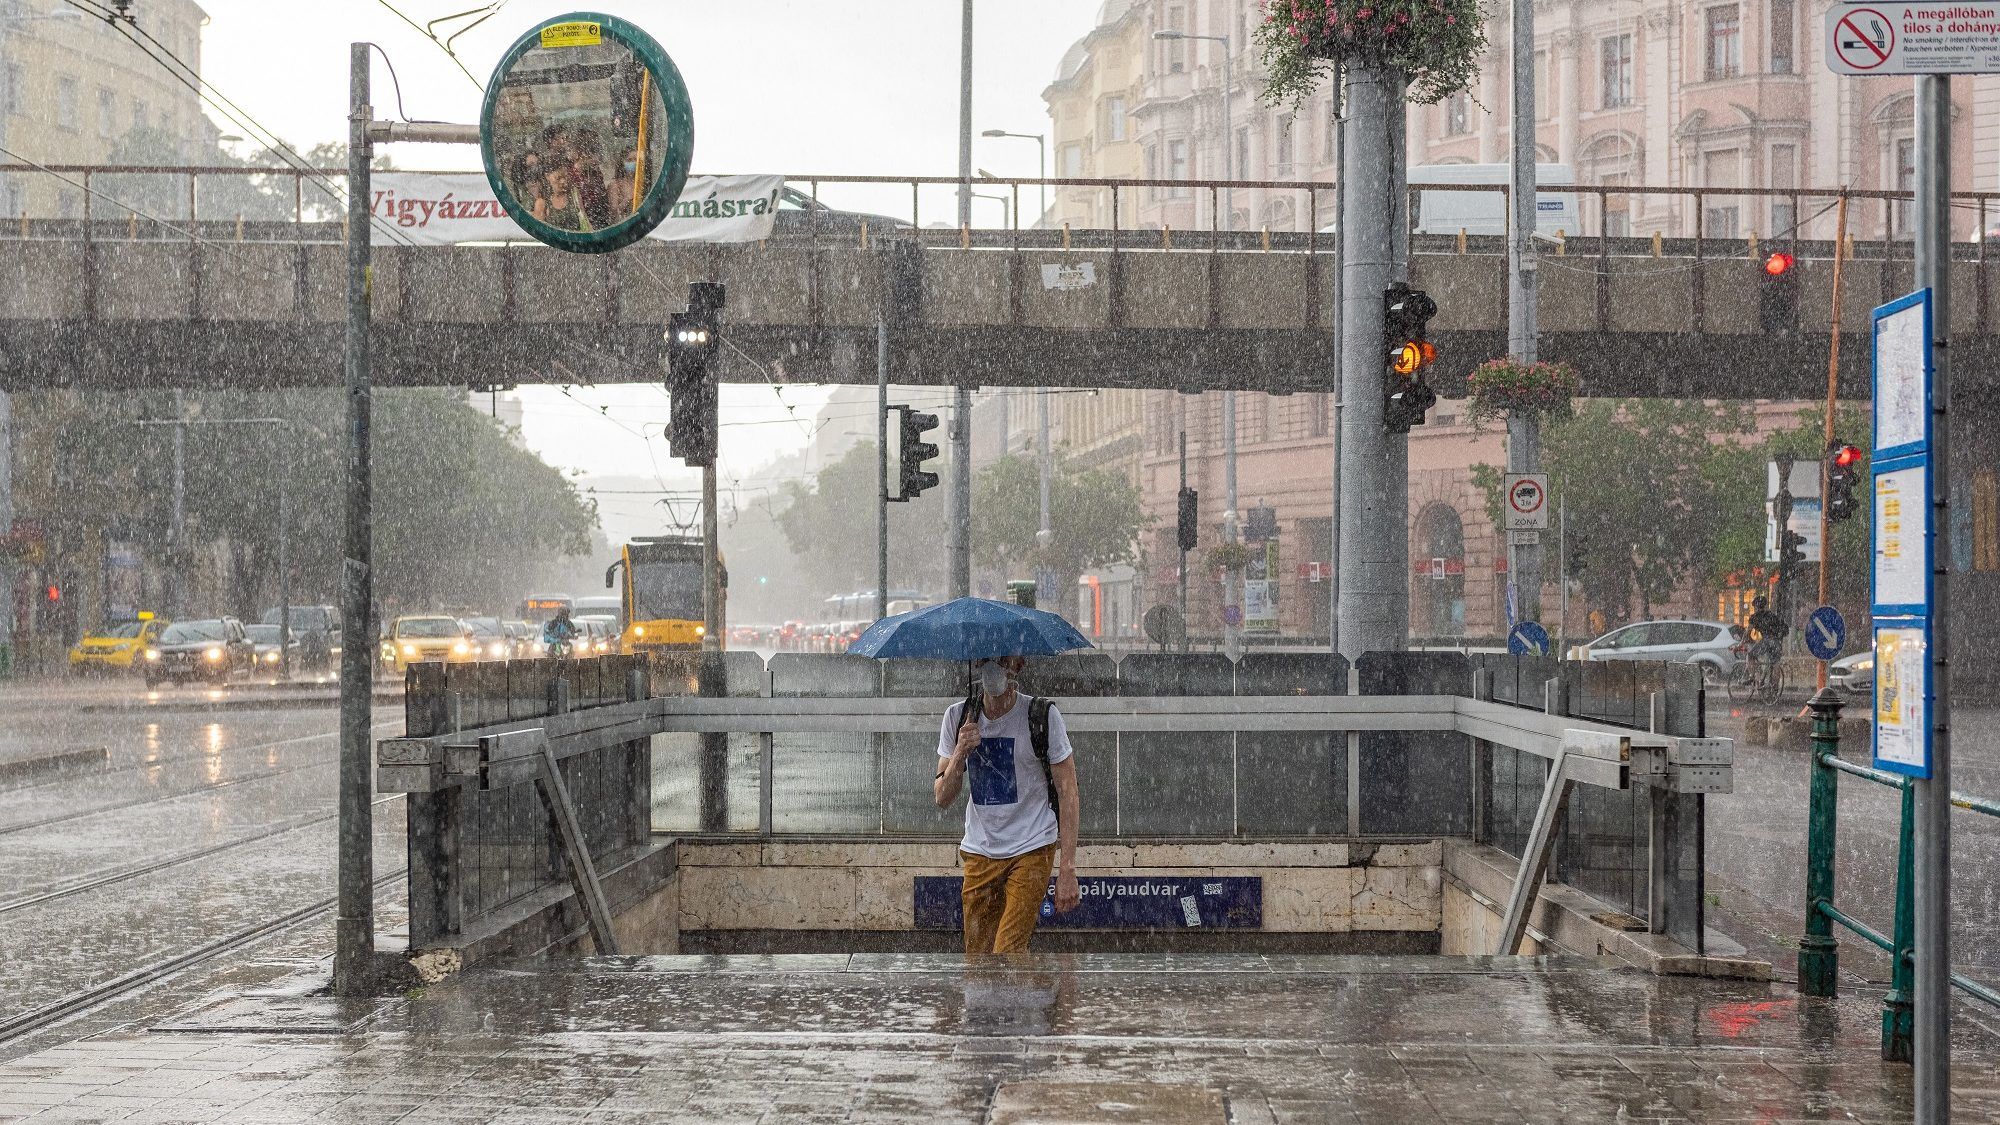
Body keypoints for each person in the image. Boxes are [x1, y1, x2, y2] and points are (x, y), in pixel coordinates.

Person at [934, 655, 1081, 955]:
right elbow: (942, 796)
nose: (994, 668)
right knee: (978, 959)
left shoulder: (1041, 715)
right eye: (986, 659)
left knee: (1007, 952)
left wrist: (1067, 868)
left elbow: (1068, 793)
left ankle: (1023, 997)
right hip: (980, 852)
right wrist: (961, 751)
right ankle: (1032, 998)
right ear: (975, 665)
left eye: (1003, 659)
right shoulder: (958, 716)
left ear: (1019, 664)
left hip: (1031, 846)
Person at [1746, 596, 1787, 671]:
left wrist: (1745, 642)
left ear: (1756, 606)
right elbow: (1782, 628)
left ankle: (1752, 677)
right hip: (1776, 642)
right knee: (1775, 663)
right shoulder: (1773, 616)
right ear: (1765, 606)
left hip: (1766, 641)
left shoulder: (1755, 617)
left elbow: (1747, 632)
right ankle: (1775, 682)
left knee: (1751, 655)